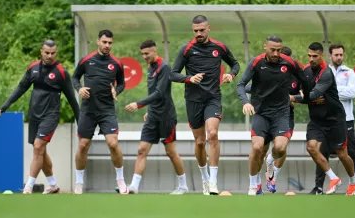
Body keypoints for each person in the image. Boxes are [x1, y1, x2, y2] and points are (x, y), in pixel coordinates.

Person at [0, 40, 80, 194]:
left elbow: (72, 101)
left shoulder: (61, 72)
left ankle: (28, 186)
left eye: (53, 53)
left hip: (51, 115)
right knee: (41, 151)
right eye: (47, 53)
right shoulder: (33, 68)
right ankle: (53, 184)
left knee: (38, 147)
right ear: (41, 51)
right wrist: (5, 105)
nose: (50, 56)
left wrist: (80, 124)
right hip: (35, 115)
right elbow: (21, 88)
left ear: (56, 52)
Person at [170, 15, 240, 195]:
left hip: (213, 97)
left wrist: (231, 75)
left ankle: (214, 181)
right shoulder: (186, 49)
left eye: (202, 30)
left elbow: (235, 64)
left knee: (213, 134)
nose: (199, 34)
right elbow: (173, 74)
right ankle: (204, 178)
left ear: (209, 28)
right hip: (193, 100)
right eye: (195, 31)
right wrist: (189, 78)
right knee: (200, 142)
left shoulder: (219, 47)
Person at [236, 36, 310, 196]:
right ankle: (253, 186)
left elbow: (305, 78)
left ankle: (270, 160)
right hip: (261, 113)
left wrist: (305, 91)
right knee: (257, 148)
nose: (276, 53)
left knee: (281, 148)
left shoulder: (289, 63)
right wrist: (245, 102)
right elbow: (241, 85)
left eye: (279, 50)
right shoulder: (256, 62)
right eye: (273, 50)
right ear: (265, 47)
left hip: (281, 113)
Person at [290, 42, 355, 195]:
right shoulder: (306, 70)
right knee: (311, 147)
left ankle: (354, 181)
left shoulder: (326, 73)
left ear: (321, 56)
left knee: (342, 153)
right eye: (309, 56)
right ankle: (333, 178)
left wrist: (294, 98)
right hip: (317, 120)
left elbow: (313, 95)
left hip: (335, 119)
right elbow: (305, 91)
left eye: (315, 56)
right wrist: (302, 95)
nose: (311, 59)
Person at [124, 40, 188, 195]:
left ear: (154, 51)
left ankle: (183, 186)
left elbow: (160, 93)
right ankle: (134, 187)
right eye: (142, 54)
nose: (144, 57)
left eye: (147, 53)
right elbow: (152, 92)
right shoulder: (150, 67)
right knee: (142, 150)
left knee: (171, 152)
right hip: (153, 116)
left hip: (166, 117)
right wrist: (150, 110)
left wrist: (138, 105)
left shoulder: (164, 67)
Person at [72, 29, 128, 194]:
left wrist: (116, 91)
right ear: (97, 42)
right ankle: (79, 182)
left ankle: (120, 180)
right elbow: (74, 77)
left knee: (113, 143)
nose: (107, 45)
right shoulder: (87, 60)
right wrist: (79, 89)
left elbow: (122, 83)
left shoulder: (116, 63)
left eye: (110, 43)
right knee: (83, 145)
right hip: (88, 110)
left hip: (106, 110)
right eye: (104, 42)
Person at [310, 44, 355, 195]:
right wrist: (330, 90)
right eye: (336, 55)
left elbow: (352, 93)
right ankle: (319, 187)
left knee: (350, 153)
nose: (339, 57)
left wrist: (328, 90)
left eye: (341, 55)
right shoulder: (322, 72)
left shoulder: (350, 72)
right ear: (330, 56)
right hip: (325, 119)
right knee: (322, 151)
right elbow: (314, 91)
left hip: (346, 119)